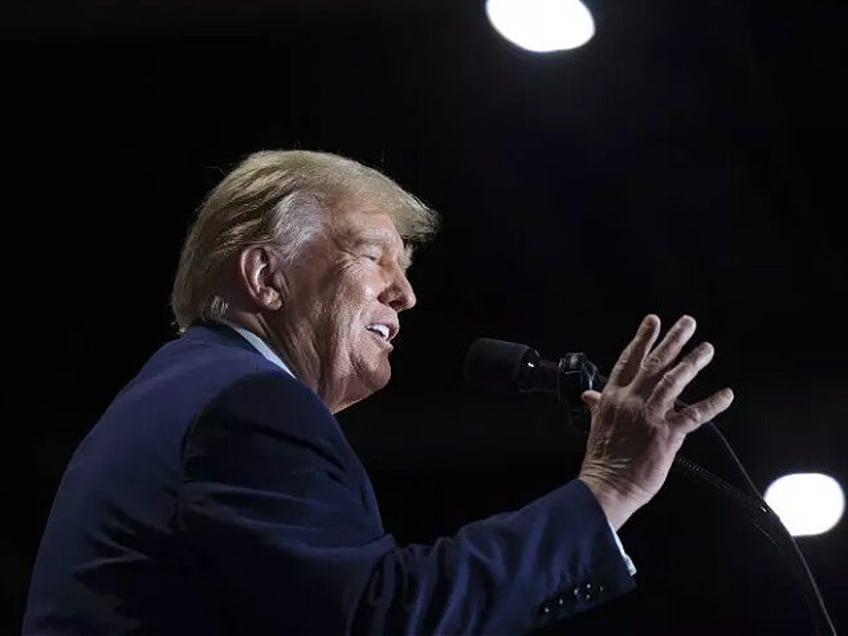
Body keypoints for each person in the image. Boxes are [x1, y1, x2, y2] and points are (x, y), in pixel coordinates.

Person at [23, 149, 734, 635]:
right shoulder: (242, 405)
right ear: (266, 278)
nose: (407, 293)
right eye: (372, 256)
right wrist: (607, 489)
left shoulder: (183, 394)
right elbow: (381, 618)